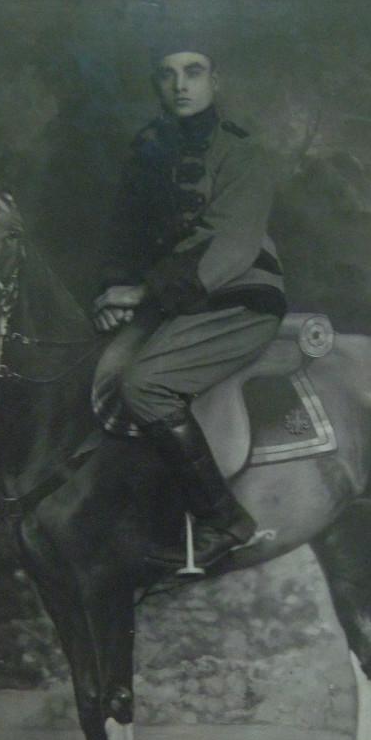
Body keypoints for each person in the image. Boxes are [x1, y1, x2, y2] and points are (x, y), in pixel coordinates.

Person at [91, 35, 286, 569]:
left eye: (193, 71)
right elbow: (124, 233)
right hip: (173, 301)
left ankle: (227, 520)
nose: (180, 84)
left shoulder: (242, 150)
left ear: (214, 81)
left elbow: (231, 243)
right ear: (156, 82)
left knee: (144, 383)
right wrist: (112, 290)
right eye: (167, 73)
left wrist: (142, 291)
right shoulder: (146, 149)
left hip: (238, 295)